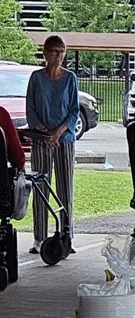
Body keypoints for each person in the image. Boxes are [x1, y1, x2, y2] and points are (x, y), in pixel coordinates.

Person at [23, 34, 79, 254]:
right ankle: (39, 237)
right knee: (40, 188)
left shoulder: (70, 78)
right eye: (55, 51)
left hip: (64, 140)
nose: (59, 56)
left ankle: (66, 236)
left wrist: (59, 132)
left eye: (62, 51)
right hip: (41, 140)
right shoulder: (36, 78)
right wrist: (42, 131)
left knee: (65, 189)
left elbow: (74, 110)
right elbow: (30, 108)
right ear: (45, 53)